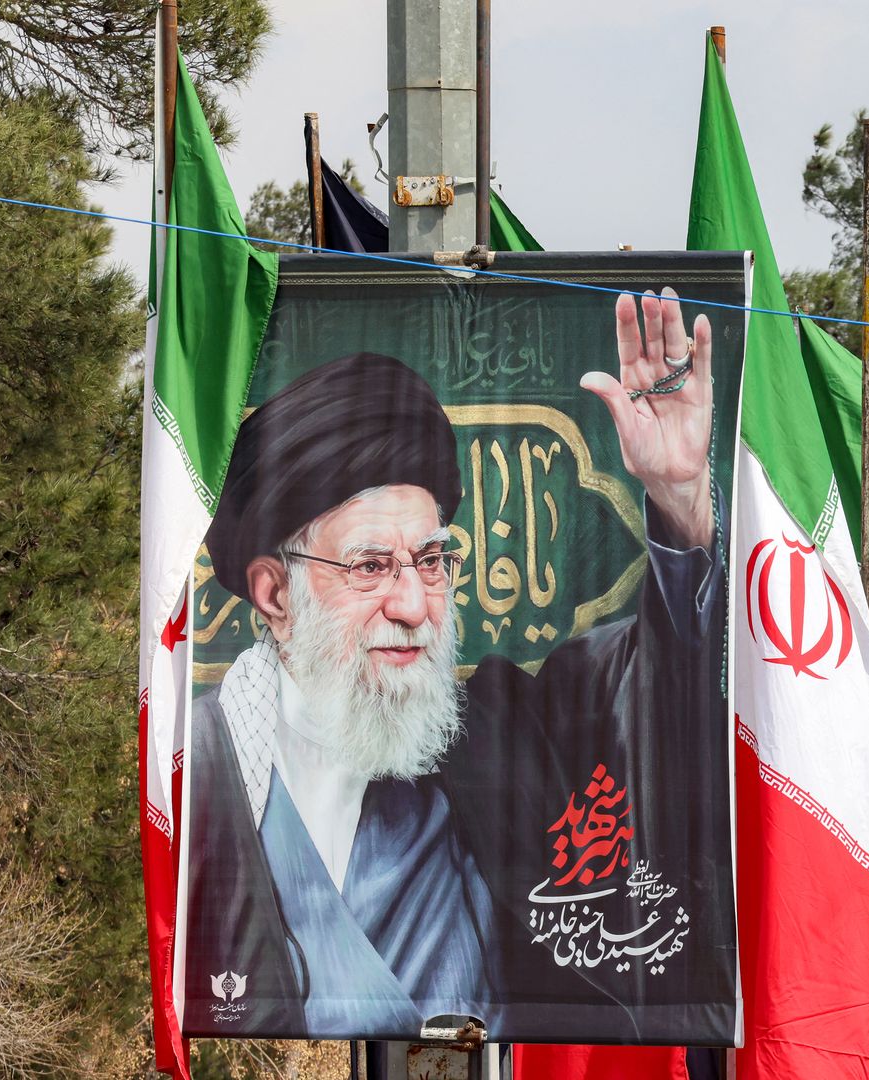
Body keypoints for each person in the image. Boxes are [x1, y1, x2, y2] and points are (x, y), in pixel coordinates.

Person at [181, 290, 733, 1042]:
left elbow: (660, 691)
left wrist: (678, 502)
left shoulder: (494, 736)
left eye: (433, 559)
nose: (414, 604)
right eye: (371, 566)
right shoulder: (197, 781)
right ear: (275, 594)